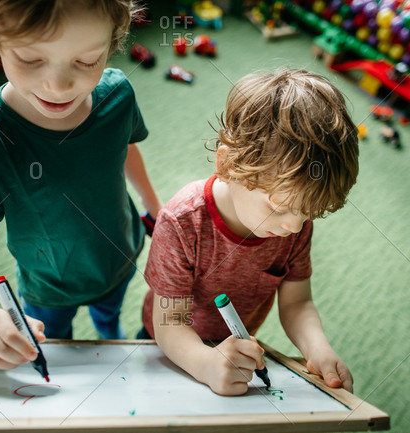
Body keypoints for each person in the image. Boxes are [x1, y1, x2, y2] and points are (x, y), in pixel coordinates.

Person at [0, 0, 162, 371]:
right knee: (53, 351)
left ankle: (109, 330)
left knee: (110, 324)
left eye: (87, 61)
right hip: (48, 289)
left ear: (113, 41)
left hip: (119, 256)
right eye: (30, 59)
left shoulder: (118, 94)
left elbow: (125, 146)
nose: (58, 86)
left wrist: (153, 205)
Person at [140, 69, 359, 396]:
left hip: (237, 349)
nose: (295, 226)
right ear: (227, 165)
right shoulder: (182, 222)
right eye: (279, 207)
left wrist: (317, 349)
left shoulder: (294, 226)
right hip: (168, 347)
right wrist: (206, 363)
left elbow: (297, 303)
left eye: (308, 213)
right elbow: (170, 324)